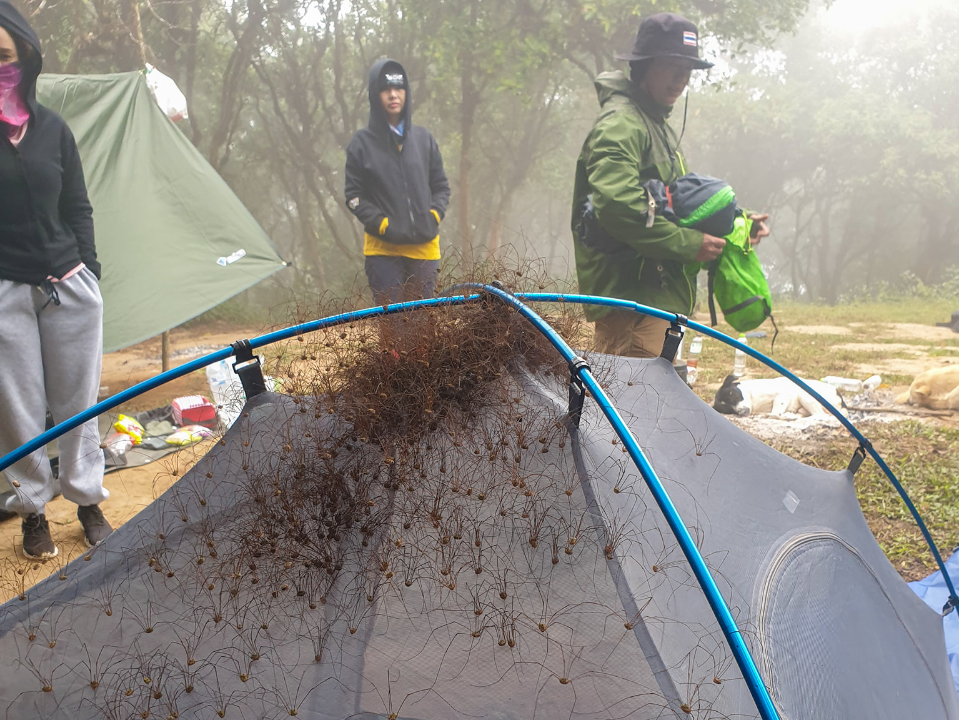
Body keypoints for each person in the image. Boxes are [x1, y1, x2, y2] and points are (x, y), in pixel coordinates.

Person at [571, 13, 769, 358]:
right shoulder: (621, 125)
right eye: (671, 66)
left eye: (688, 69)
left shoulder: (654, 123)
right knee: (630, 406)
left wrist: (736, 225)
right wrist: (688, 243)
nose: (681, 79)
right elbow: (618, 207)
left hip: (655, 295)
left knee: (652, 407)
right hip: (632, 301)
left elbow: (676, 202)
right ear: (645, 67)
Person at [0, 1, 112, 558]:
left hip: (68, 283)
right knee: (19, 408)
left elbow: (78, 206)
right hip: (6, 290)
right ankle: (34, 510)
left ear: (25, 56)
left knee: (78, 401)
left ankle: (87, 499)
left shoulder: (54, 130)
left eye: (3, 56)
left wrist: (90, 269)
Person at [345, 58, 450, 305]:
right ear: (374, 94)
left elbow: (441, 187)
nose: (393, 95)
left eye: (399, 88)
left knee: (422, 329)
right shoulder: (361, 144)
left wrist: (433, 215)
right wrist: (382, 224)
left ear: (406, 92)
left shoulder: (424, 139)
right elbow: (353, 196)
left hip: (425, 247)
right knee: (394, 328)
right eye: (385, 89)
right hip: (383, 251)